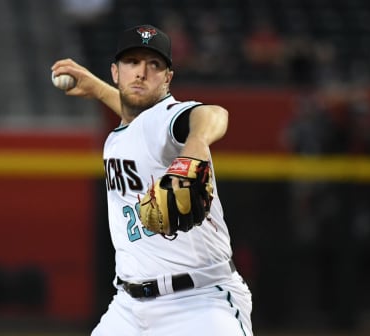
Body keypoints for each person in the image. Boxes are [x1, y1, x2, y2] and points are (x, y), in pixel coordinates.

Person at [51, 24, 252, 336]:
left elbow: (214, 114)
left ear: (168, 78)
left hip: (199, 303)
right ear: (115, 72)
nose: (142, 73)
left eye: (154, 65)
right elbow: (135, 121)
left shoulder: (169, 117)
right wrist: (97, 88)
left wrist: (196, 145)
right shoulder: (125, 133)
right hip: (128, 309)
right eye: (132, 63)